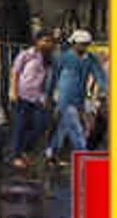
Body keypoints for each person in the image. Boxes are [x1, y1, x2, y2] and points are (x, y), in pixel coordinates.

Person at [46, 29, 109, 166]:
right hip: (64, 99)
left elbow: (99, 76)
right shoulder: (63, 57)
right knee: (75, 128)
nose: (84, 47)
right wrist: (48, 95)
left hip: (79, 99)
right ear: (73, 43)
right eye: (81, 44)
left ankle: (51, 152)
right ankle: (84, 156)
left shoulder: (91, 59)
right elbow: (53, 77)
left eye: (86, 44)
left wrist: (107, 90)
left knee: (63, 128)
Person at [7, 31, 56, 167]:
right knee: (20, 126)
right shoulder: (26, 54)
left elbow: (48, 79)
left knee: (42, 123)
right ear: (37, 41)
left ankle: (23, 148)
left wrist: (47, 96)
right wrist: (13, 91)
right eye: (45, 40)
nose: (48, 44)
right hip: (22, 94)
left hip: (38, 97)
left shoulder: (49, 58)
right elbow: (15, 72)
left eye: (50, 41)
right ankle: (15, 156)